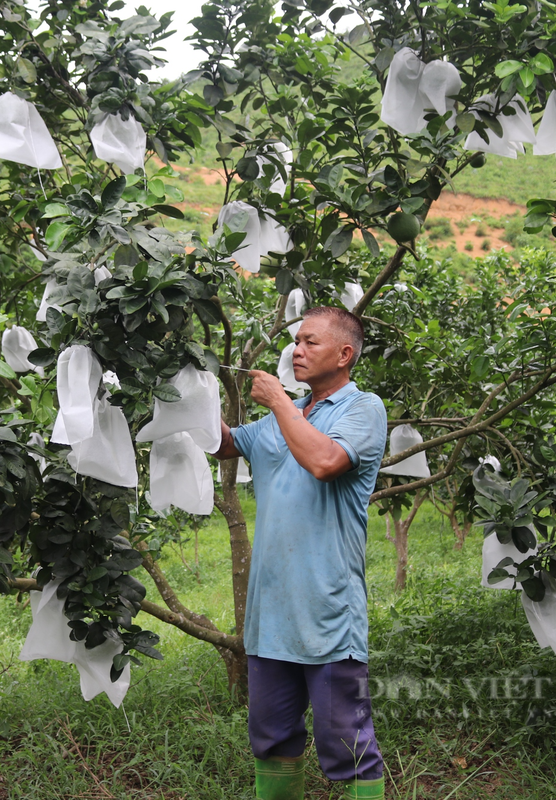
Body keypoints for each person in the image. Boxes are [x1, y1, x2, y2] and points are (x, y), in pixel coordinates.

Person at [212, 305, 389, 800]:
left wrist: (278, 401)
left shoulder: (363, 409)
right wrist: (190, 385)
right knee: (271, 742)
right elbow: (224, 444)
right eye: (297, 341)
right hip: (272, 621)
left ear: (345, 353)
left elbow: (326, 461)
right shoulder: (281, 419)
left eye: (311, 341)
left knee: (348, 747)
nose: (297, 350)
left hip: (328, 616)